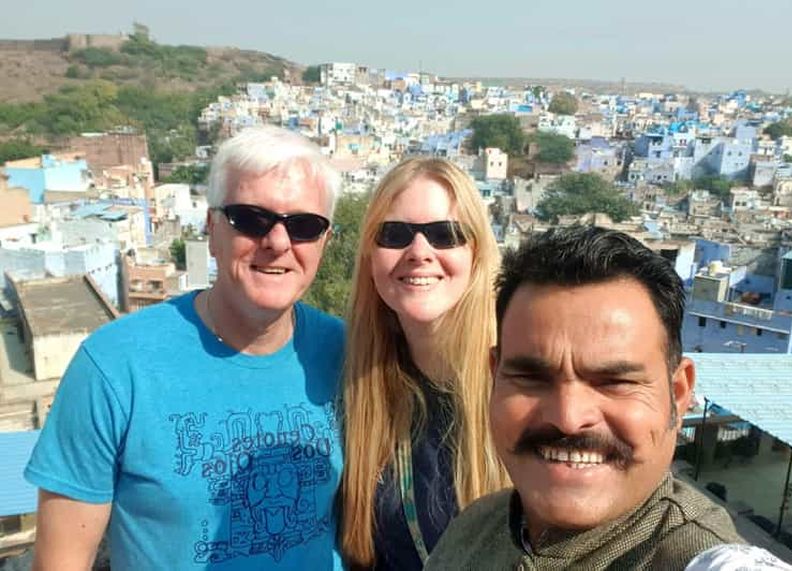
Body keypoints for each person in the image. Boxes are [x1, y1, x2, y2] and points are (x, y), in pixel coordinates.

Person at [25, 126, 346, 570]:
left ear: (324, 242)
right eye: (252, 219)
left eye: (304, 226)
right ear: (212, 228)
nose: (278, 242)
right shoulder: (116, 366)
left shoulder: (346, 352)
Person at [426, 225, 749, 570]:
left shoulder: (704, 558)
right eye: (531, 377)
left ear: (678, 395)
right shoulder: (476, 527)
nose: (568, 416)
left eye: (614, 382)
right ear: (495, 378)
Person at [339, 158, 508, 570]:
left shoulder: (516, 385)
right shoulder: (361, 385)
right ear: (370, 255)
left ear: (476, 252)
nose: (419, 252)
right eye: (395, 235)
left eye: (444, 235)